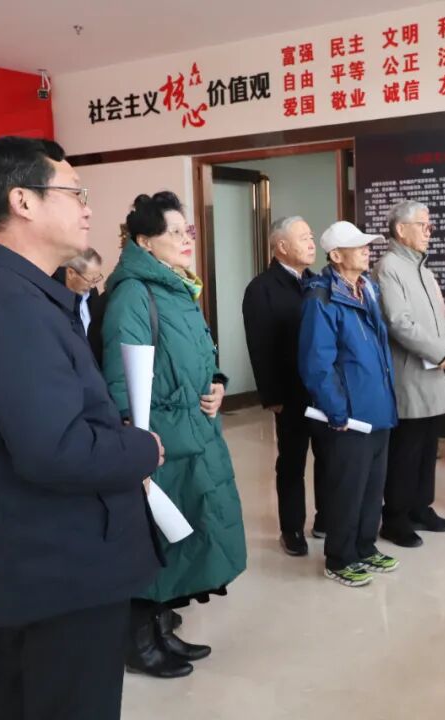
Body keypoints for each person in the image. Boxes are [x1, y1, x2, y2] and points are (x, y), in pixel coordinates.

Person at [0, 136, 164, 720]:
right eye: (75, 193)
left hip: (41, 565)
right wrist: (141, 448)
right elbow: (54, 450)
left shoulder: (7, 288)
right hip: (60, 572)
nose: (88, 208)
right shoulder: (11, 304)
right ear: (22, 201)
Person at [102, 191, 246, 677]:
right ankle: (139, 642)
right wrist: (133, 439)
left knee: (182, 537)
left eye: (189, 231)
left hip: (195, 432)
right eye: (176, 232)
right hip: (160, 440)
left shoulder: (177, 287)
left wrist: (218, 382)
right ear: (145, 241)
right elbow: (121, 374)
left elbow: (199, 355)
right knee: (154, 541)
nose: (187, 239)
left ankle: (162, 630)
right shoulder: (133, 294)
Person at [299, 221, 399, 587]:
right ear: (337, 256)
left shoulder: (367, 288)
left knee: (372, 487)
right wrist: (336, 410)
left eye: (367, 245)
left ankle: (365, 547)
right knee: (347, 489)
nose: (367, 251)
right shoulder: (321, 297)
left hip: (378, 408)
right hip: (349, 416)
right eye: (359, 246)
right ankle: (340, 559)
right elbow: (316, 363)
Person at [373, 200, 445, 548]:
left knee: (428, 447)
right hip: (410, 374)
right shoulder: (389, 267)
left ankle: (420, 508)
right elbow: (399, 322)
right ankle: (395, 518)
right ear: (401, 230)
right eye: (423, 225)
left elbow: (432, 316)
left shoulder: (422, 268)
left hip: (433, 370)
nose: (429, 232)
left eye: (429, 225)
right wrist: (440, 351)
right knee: (406, 451)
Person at [243, 216, 327, 557]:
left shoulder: (316, 282)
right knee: (292, 461)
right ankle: (291, 529)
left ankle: (325, 519)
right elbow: (260, 346)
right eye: (304, 237)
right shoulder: (262, 288)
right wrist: (272, 396)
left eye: (311, 236)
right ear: (281, 246)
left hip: (322, 390)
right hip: (290, 392)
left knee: (328, 455)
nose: (311, 243)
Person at [54, 247, 105, 364]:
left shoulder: (92, 294)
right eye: (89, 280)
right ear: (71, 273)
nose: (93, 286)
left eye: (96, 279)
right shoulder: (52, 297)